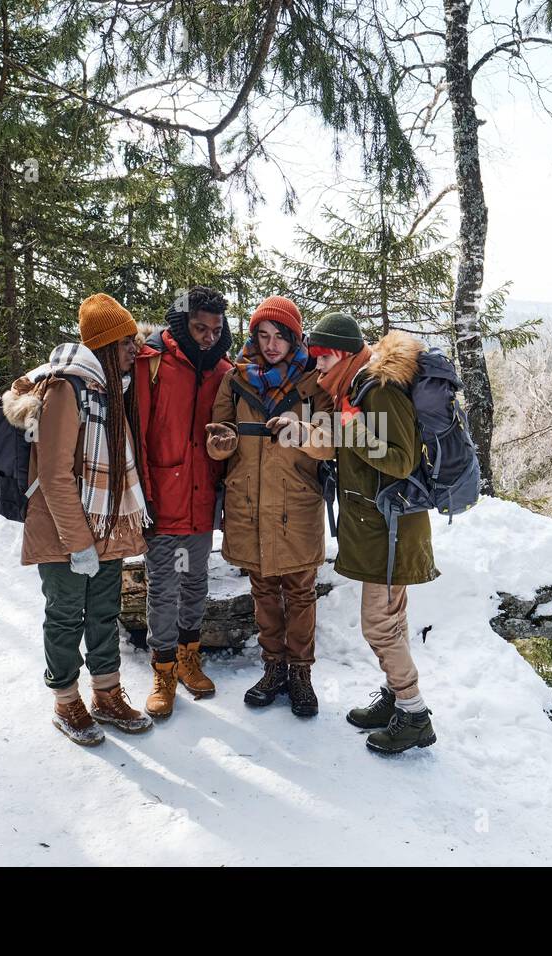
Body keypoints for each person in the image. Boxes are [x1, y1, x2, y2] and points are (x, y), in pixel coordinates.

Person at [4, 293, 153, 746]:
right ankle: (66, 699)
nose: (135, 351)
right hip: (65, 529)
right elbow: (52, 474)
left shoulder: (108, 390)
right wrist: (78, 542)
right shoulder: (66, 389)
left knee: (104, 614)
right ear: (108, 345)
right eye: (128, 343)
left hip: (105, 525)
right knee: (66, 615)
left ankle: (106, 693)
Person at [298, 314, 440, 753]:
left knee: (379, 626)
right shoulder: (356, 385)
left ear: (338, 353)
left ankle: (414, 714)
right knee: (390, 621)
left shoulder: (379, 389)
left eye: (320, 359)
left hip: (391, 530)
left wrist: (346, 429)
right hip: (380, 527)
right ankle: (397, 699)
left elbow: (399, 460)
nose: (316, 368)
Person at [204, 296, 333, 716]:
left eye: (280, 336)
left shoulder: (315, 380)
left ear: (295, 337)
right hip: (249, 502)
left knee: (300, 591)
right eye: (263, 335)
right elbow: (219, 430)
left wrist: (304, 432)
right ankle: (273, 668)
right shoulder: (236, 379)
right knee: (262, 588)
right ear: (253, 336)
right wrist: (219, 445)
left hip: (297, 502)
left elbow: (333, 442)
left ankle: (301, 674)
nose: (271, 343)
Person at [130, 286, 233, 719]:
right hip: (164, 500)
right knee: (165, 586)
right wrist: (144, 497)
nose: (208, 336)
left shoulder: (224, 370)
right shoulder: (153, 363)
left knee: (195, 581)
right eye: (199, 328)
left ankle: (191, 657)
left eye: (215, 329)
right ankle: (164, 668)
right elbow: (137, 433)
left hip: (201, 500)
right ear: (181, 324)